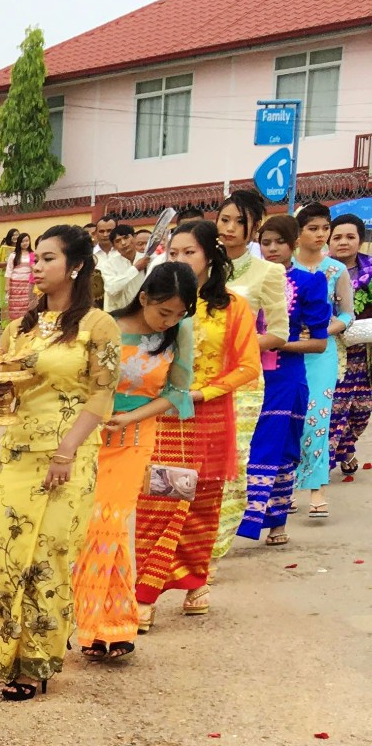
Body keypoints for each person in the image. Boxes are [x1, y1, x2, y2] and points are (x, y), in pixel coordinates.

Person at [0, 224, 119, 700]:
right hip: (18, 454)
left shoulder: (98, 326)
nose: (36, 267)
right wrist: (1, 395)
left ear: (75, 265)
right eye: (34, 259)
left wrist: (67, 451)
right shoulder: (18, 328)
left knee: (48, 556)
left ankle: (34, 661)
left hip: (69, 455)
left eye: (47, 259)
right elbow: (5, 397)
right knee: (2, 549)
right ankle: (10, 644)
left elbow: (103, 394)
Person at [136, 220, 258, 621]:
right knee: (159, 503)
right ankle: (146, 594)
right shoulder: (154, 304)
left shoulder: (232, 305)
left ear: (210, 255)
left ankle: (195, 581)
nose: (180, 260)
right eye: (173, 253)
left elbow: (248, 366)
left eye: (189, 252)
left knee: (200, 505)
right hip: (162, 417)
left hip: (207, 417)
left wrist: (202, 393)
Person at [74, 262, 196, 659]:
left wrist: (130, 416)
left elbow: (178, 393)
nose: (171, 321)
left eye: (180, 314)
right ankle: (117, 624)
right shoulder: (104, 326)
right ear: (143, 297)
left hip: (135, 437)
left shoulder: (180, 334)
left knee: (105, 526)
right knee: (97, 529)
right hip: (91, 438)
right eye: (164, 312)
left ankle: (94, 629)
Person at [238, 213, 334, 543]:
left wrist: (275, 341)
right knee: (245, 447)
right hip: (247, 375)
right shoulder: (246, 280)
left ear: (293, 244)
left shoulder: (310, 282)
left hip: (286, 375)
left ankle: (277, 522)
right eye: (266, 243)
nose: (272, 248)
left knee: (279, 447)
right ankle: (238, 520)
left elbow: (319, 343)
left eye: (280, 242)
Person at [214, 189, 291, 556]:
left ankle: (215, 546)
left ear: (254, 228)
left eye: (239, 222)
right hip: (197, 375)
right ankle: (190, 540)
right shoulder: (200, 262)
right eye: (224, 219)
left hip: (243, 378)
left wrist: (236, 343)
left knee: (234, 457)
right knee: (197, 459)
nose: (229, 228)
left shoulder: (268, 271)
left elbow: (279, 332)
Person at [290, 202, 350, 523]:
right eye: (313, 228)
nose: (321, 234)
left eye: (324, 228)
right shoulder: (283, 269)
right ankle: (286, 488)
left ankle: (317, 491)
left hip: (322, 353)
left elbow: (346, 314)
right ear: (298, 232)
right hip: (287, 352)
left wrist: (322, 330)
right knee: (289, 420)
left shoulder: (335, 270)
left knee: (316, 419)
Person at [328, 213, 371, 481]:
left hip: (365, 351)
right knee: (336, 409)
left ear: (360, 240)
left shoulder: (371, 270)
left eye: (350, 237)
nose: (344, 242)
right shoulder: (321, 271)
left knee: (362, 409)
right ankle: (329, 461)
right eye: (338, 237)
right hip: (333, 349)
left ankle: (348, 447)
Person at [97, 222, 144, 313]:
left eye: (126, 238)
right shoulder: (109, 265)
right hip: (119, 314)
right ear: (114, 246)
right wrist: (135, 269)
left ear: (134, 237)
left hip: (145, 311)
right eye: (117, 241)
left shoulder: (147, 260)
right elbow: (111, 289)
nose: (123, 243)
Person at [4, 231, 37, 325]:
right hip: (15, 283)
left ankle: (26, 323)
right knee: (15, 305)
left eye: (27, 241)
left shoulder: (33, 254)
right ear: (19, 243)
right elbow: (9, 270)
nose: (25, 243)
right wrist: (7, 285)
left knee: (26, 303)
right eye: (23, 241)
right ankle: (15, 324)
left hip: (28, 282)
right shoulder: (13, 255)